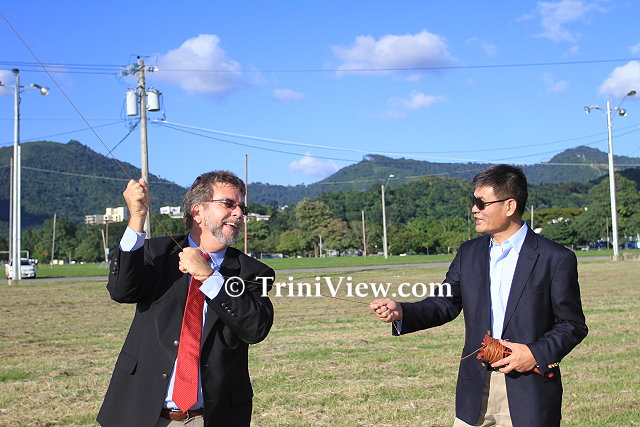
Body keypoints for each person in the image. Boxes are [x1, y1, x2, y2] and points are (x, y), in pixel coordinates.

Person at [370, 164, 587, 427]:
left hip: (529, 391)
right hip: (474, 391)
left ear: (510, 206)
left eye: (481, 203)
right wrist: (402, 311)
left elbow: (572, 325)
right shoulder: (469, 252)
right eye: (473, 202)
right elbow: (445, 303)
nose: (474, 209)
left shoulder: (556, 258)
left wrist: (534, 353)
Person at [97, 171, 275, 427]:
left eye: (242, 208)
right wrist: (137, 218)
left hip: (212, 417)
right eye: (228, 204)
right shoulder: (157, 253)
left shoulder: (254, 272)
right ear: (197, 211)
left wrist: (210, 277)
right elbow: (121, 290)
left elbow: (255, 329)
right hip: (142, 413)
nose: (239, 213)